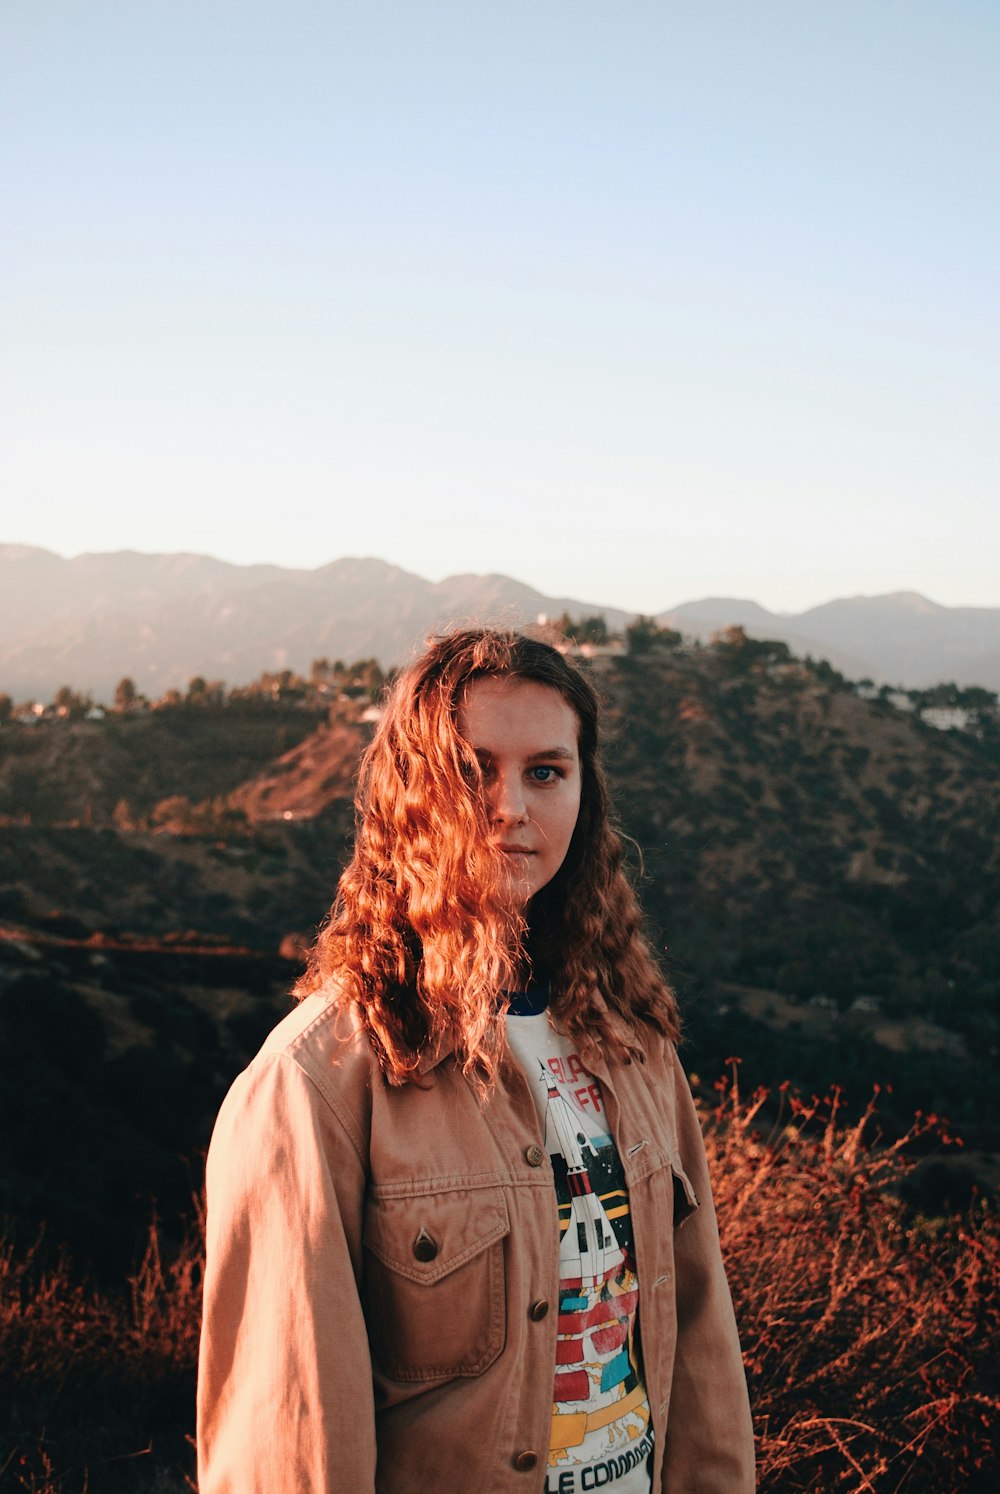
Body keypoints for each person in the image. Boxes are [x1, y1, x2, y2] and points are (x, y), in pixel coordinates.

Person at [197, 627, 755, 1493]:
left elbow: (699, 1334)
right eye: (472, 770)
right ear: (411, 796)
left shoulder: (634, 1042)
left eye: (545, 771)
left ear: (583, 792)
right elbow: (293, 1436)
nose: (511, 806)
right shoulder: (317, 1086)